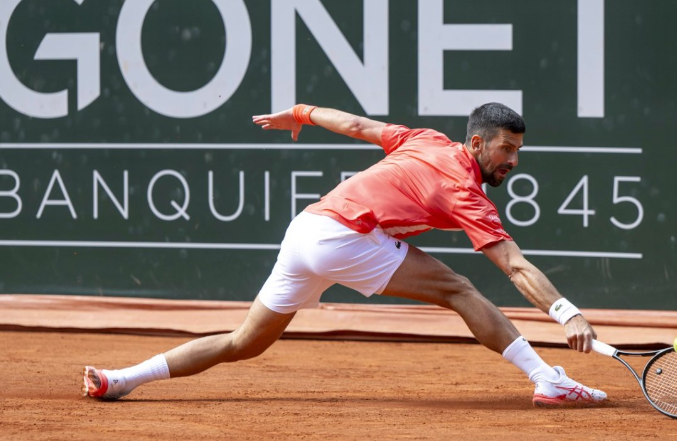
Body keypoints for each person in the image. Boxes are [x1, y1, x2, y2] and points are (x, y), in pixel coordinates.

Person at [83, 102, 606, 407]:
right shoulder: (465, 193)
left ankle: (120, 379)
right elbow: (514, 265)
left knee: (245, 342)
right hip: (344, 237)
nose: (513, 159)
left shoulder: (425, 139)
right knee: (460, 290)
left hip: (305, 231)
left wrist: (301, 113)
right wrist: (567, 314)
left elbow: (357, 126)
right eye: (506, 149)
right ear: (476, 143)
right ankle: (547, 379)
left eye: (517, 150)